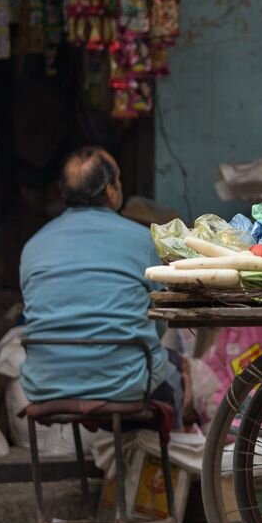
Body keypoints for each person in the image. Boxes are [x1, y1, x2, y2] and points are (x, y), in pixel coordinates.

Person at [19, 146, 186, 423]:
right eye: (118, 180)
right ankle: (165, 463)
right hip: (126, 383)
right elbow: (158, 321)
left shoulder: (32, 246)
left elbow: (33, 313)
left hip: (46, 383)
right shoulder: (142, 240)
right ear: (110, 190)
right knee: (176, 369)